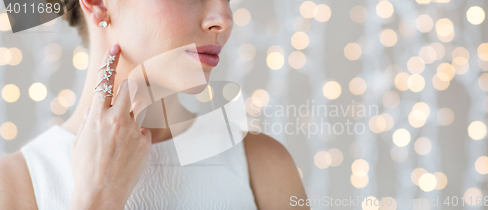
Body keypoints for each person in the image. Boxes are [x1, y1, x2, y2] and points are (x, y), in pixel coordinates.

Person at [0, 0, 308, 209]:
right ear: (98, 3)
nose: (224, 20)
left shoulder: (262, 163)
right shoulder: (12, 187)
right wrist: (98, 199)